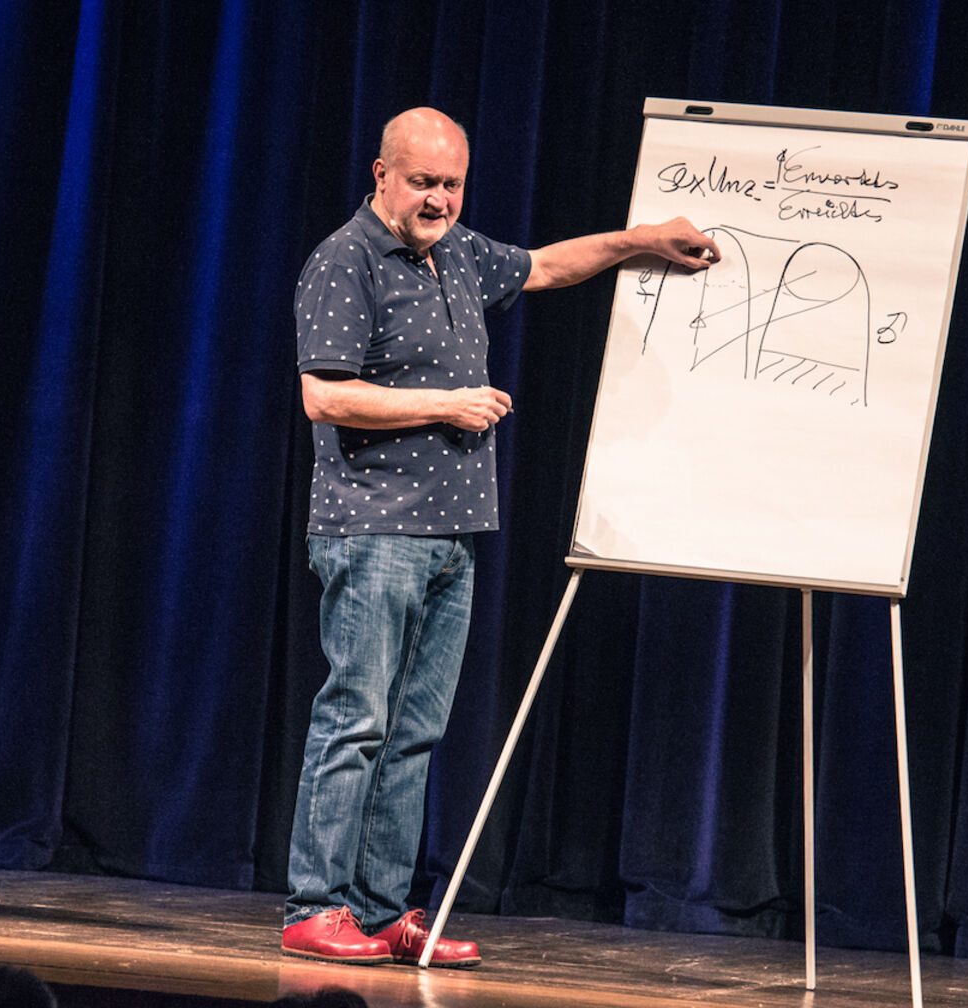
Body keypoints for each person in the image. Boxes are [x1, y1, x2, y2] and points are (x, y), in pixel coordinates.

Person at [284, 107, 719, 968]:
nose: (439, 198)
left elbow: (551, 266)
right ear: (381, 175)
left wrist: (643, 238)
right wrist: (448, 403)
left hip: (453, 536)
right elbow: (325, 396)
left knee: (413, 732)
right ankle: (316, 907)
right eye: (422, 182)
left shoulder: (457, 253)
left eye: (451, 183)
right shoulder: (345, 261)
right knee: (356, 720)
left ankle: (379, 911)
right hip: (375, 531)